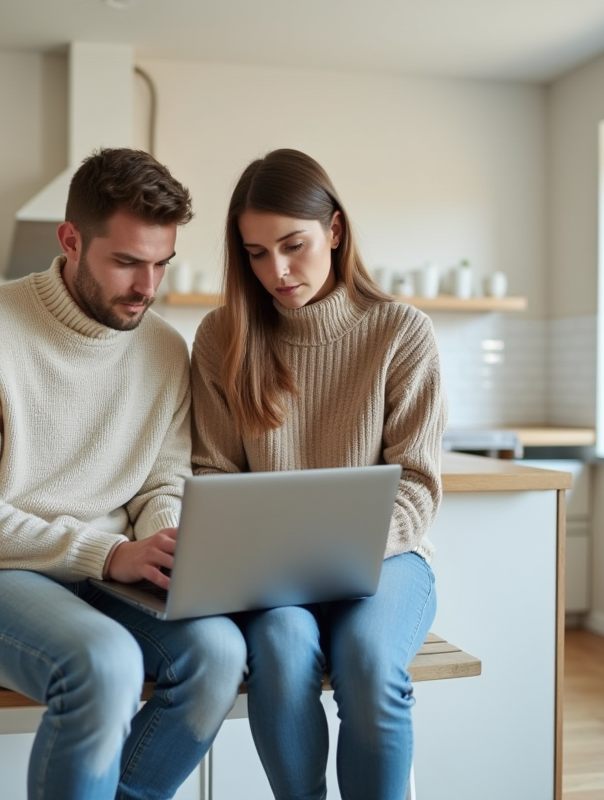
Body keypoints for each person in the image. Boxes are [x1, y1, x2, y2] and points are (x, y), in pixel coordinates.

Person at [0, 148, 246, 800]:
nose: (147, 287)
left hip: (109, 572)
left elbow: (163, 481)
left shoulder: (163, 348)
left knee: (220, 654)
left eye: (160, 264)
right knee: (105, 662)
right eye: (126, 262)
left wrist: (167, 546)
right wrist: (108, 552)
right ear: (70, 241)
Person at [190, 149, 447, 800]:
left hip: (387, 562)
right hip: (272, 577)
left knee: (367, 660)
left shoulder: (400, 332)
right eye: (254, 253)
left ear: (334, 231)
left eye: (292, 245)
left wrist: (339, 555)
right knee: (279, 644)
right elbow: (213, 474)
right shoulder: (223, 338)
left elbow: (417, 486)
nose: (275, 270)